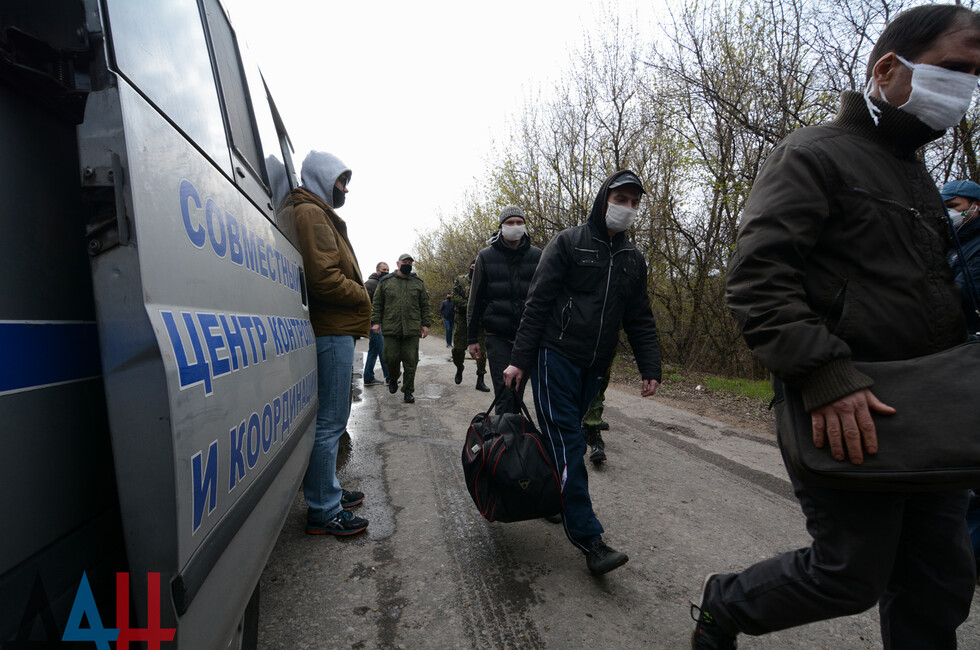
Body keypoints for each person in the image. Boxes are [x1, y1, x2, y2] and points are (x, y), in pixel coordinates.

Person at [694, 7, 980, 648]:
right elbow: (757, 281)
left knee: (938, 583)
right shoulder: (813, 153)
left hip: (932, 410)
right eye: (955, 69)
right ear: (888, 68)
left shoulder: (918, 174)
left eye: (975, 76)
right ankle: (726, 604)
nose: (965, 88)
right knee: (848, 575)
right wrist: (825, 374)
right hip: (847, 405)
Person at [502, 170, 662, 575]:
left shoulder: (633, 259)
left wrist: (650, 366)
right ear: (603, 198)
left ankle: (548, 494)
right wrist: (519, 359)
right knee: (570, 444)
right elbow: (537, 304)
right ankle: (590, 539)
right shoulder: (568, 243)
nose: (627, 208)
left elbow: (640, 317)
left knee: (561, 440)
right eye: (620, 199)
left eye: (634, 202)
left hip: (596, 366)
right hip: (554, 356)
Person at [294, 150, 370, 536]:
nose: (345, 189)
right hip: (331, 329)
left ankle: (329, 491)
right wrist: (362, 294)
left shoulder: (317, 212)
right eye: (341, 181)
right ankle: (324, 509)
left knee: (331, 420)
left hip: (334, 328)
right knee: (331, 421)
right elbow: (324, 278)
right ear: (323, 179)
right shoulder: (312, 213)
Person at [467, 206, 542, 414]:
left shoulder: (538, 256)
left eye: (519, 222)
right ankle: (504, 432)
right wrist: (472, 338)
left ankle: (511, 431)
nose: (515, 226)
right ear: (501, 227)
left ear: (525, 226)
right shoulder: (485, 257)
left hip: (527, 337)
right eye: (510, 223)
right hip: (497, 336)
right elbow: (475, 299)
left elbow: (545, 297)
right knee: (504, 392)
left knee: (517, 390)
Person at [371, 253, 430, 404]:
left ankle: (408, 391)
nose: (407, 265)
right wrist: (376, 322)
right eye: (404, 262)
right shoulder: (386, 282)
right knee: (390, 359)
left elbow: (424, 305)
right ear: (398, 264)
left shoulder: (418, 283)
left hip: (411, 328)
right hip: (391, 328)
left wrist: (425, 324)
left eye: (410, 263)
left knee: (411, 361)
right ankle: (393, 377)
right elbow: (377, 303)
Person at [942, 179, 980, 335]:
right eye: (944, 206)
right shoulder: (952, 243)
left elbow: (962, 292)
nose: (948, 211)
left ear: (976, 206)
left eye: (953, 205)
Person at [451, 261, 490, 392]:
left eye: (477, 268)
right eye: (473, 267)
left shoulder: (485, 282)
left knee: (481, 352)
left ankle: (480, 379)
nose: (474, 269)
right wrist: (471, 305)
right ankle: (459, 366)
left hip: (479, 322)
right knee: (458, 349)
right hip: (462, 321)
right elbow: (454, 297)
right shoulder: (460, 280)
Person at [363, 261, 391, 385]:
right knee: (383, 349)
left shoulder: (382, 283)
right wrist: (370, 321)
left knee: (374, 350)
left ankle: (368, 377)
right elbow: (364, 303)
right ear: (377, 270)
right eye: (384, 270)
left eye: (387, 270)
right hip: (374, 323)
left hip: (379, 322)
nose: (386, 272)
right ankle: (390, 377)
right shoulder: (370, 284)